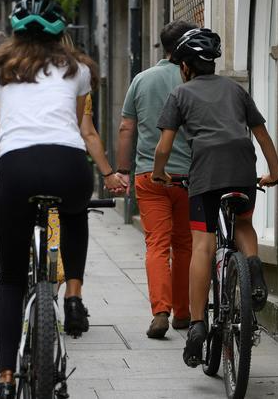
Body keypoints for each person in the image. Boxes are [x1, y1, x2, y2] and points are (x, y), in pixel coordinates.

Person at [0, 0, 115, 399]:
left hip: (16, 170)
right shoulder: (78, 68)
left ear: (15, 31)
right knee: (74, 212)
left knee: (11, 280)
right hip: (69, 165)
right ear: (60, 30)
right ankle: (75, 294)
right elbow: (80, 121)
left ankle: (5, 379)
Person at [149, 28, 278, 368]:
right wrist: (275, 172)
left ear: (185, 67)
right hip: (241, 166)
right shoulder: (236, 91)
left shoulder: (180, 95)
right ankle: (253, 269)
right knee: (244, 224)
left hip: (206, 172)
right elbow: (262, 135)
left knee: (203, 244)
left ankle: (196, 327)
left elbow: (164, 146)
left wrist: (159, 173)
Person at [116, 21, 197, 339]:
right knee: (185, 245)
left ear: (163, 47)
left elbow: (126, 128)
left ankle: (159, 312)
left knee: (157, 245)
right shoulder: (193, 80)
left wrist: (122, 170)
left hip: (150, 175)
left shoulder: (142, 79)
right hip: (189, 176)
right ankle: (183, 312)